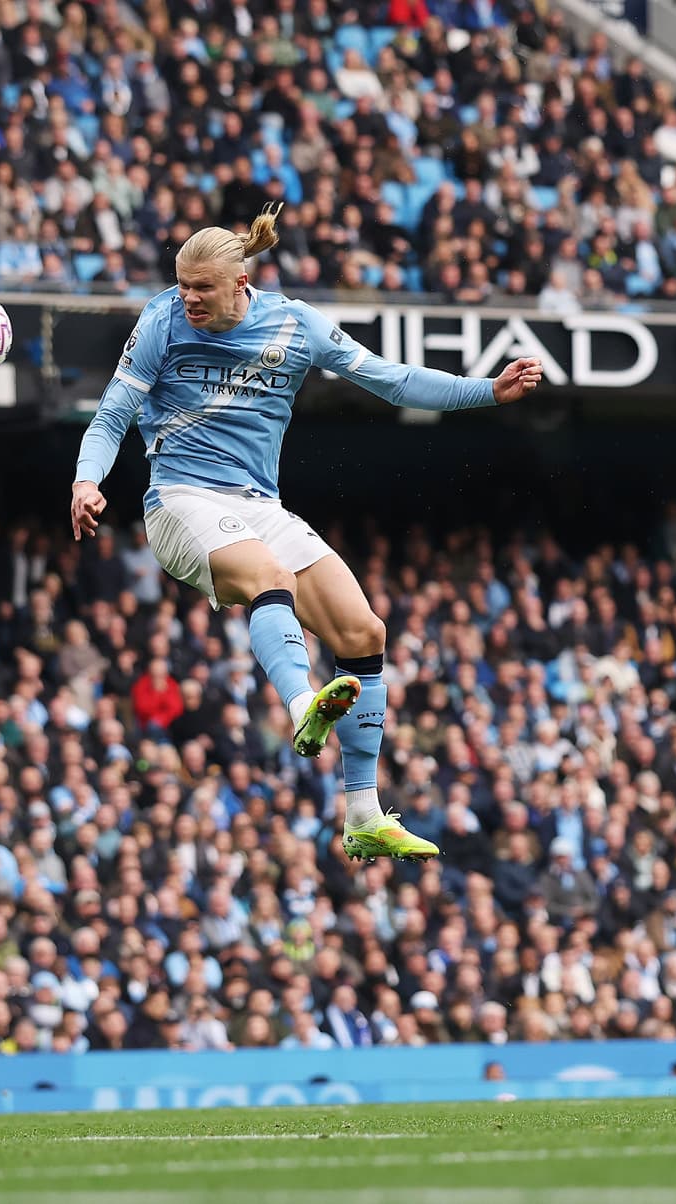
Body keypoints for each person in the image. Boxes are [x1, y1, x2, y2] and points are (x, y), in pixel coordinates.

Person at [68, 203, 543, 862]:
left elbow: (393, 381)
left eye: (202, 287)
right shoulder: (161, 322)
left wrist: (487, 390)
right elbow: (113, 413)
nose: (188, 298)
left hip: (258, 505)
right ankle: (302, 709)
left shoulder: (295, 324)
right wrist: (86, 480)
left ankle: (363, 815)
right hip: (180, 500)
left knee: (364, 633)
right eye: (182, 285)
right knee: (271, 577)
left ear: (240, 283)